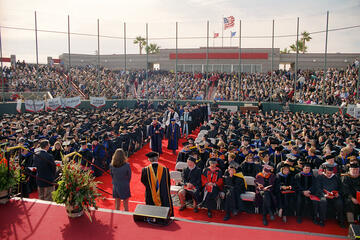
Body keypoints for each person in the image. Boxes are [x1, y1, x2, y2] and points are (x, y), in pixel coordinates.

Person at [141, 151, 173, 216]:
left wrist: (151, 187)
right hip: (162, 193)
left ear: (149, 159)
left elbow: (143, 181)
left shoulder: (145, 170)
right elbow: (168, 183)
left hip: (151, 192)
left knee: (151, 208)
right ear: (157, 158)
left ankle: (151, 218)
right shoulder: (165, 170)